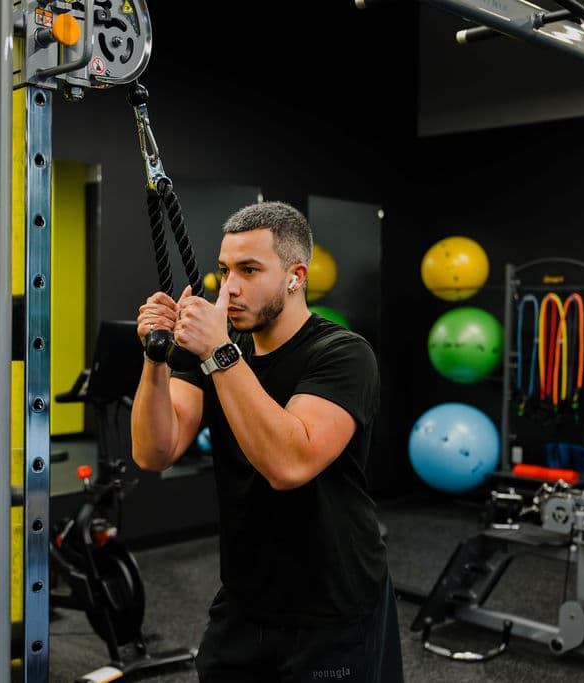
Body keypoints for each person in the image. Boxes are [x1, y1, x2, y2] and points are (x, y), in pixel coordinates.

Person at [131, 201, 402, 682]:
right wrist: (156, 357)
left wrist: (218, 351)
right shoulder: (218, 351)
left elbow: (289, 465)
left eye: (249, 270)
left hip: (332, 606)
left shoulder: (342, 354)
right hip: (244, 598)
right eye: (224, 270)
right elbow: (154, 451)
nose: (229, 287)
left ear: (296, 276)